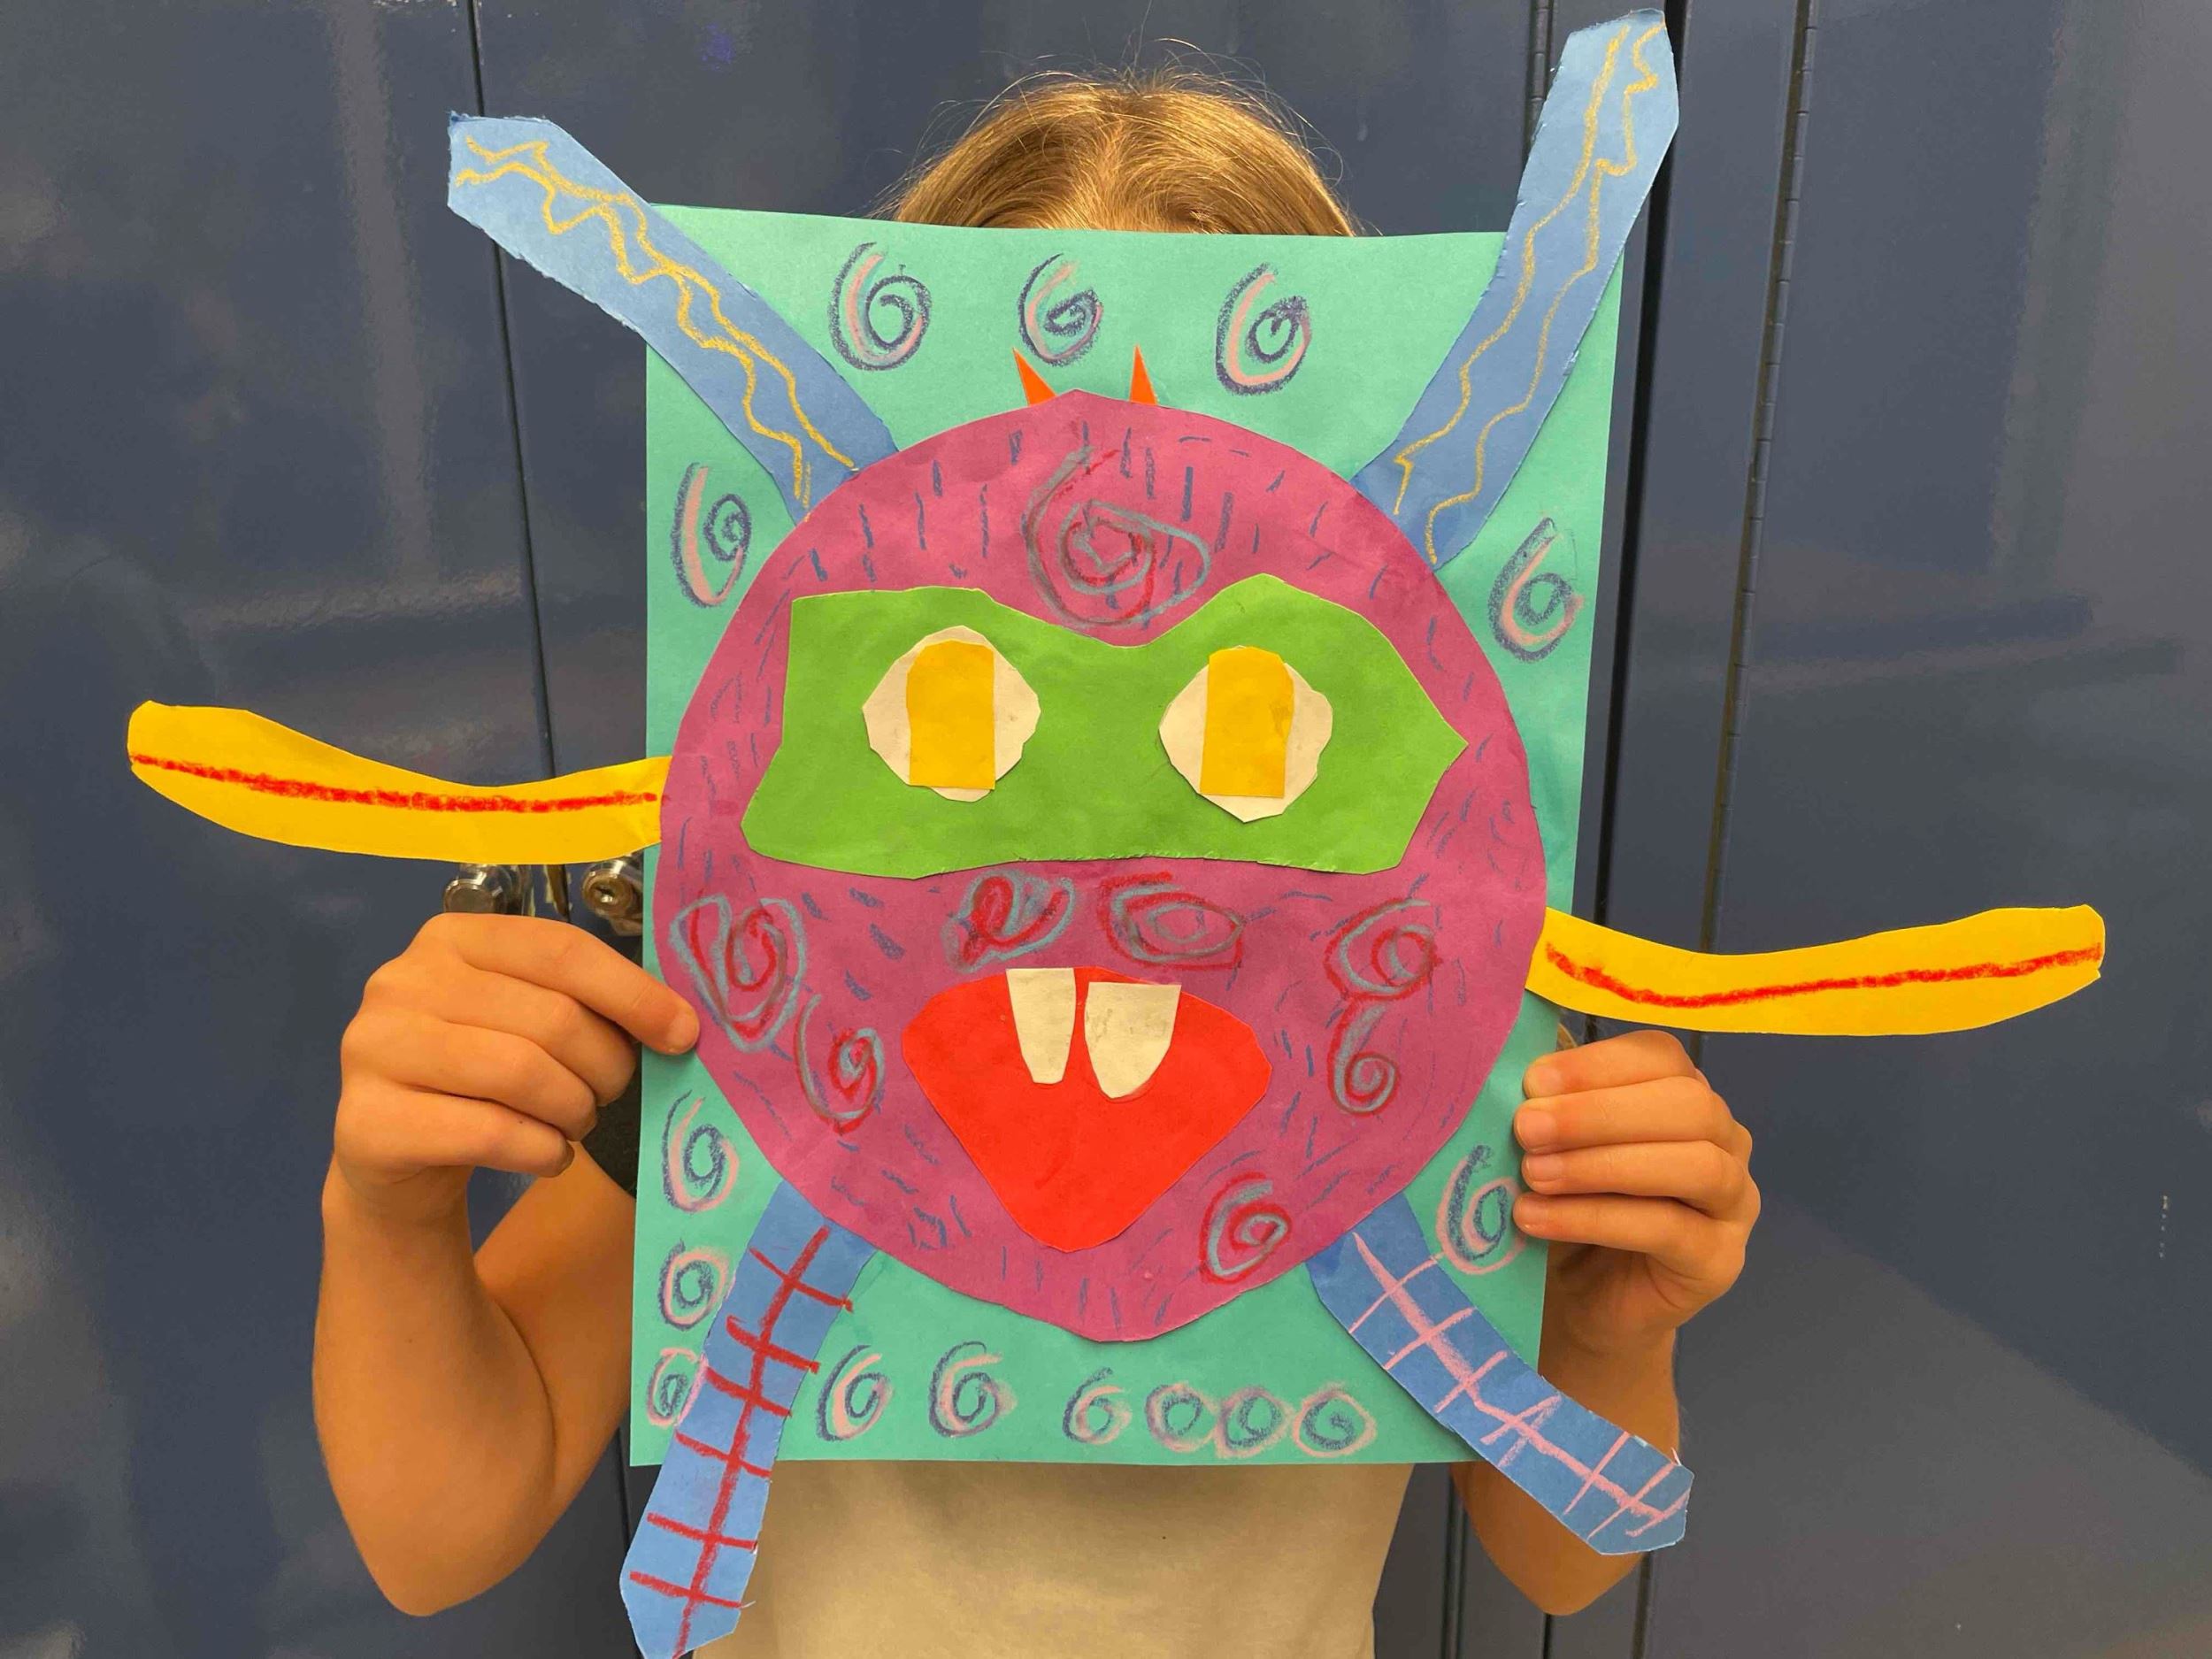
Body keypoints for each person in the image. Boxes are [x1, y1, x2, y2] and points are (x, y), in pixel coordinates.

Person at [313, 73, 1761, 1658]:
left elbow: (1559, 1559)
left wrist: (1606, 1334)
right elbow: (441, 1532)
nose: (1095, 851)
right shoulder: (727, 1020)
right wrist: (389, 1210)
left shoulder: (1445, 1032)